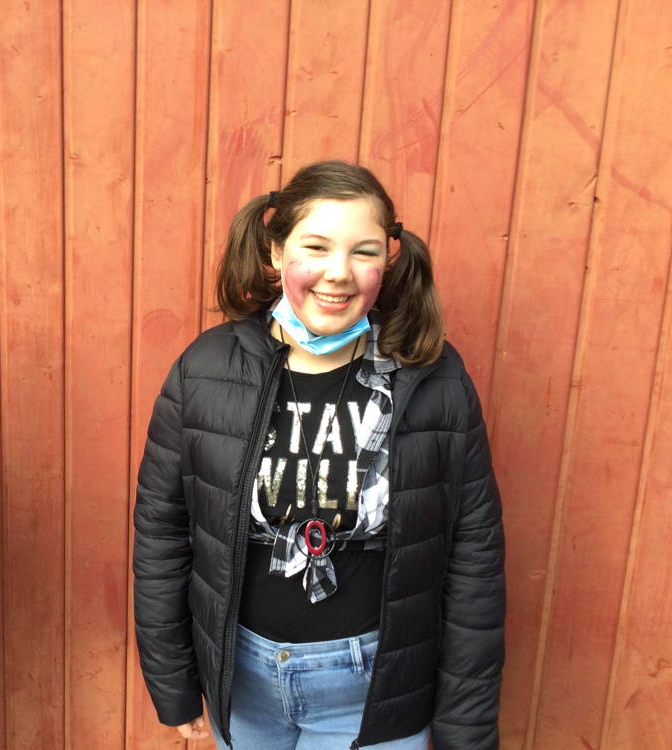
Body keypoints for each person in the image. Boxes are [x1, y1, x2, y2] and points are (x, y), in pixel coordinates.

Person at [133, 161, 505, 749]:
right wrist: (173, 681)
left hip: (375, 691)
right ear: (275, 250)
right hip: (242, 684)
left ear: (389, 258)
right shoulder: (205, 369)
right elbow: (162, 532)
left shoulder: (432, 377)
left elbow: (474, 554)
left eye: (363, 252)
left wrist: (466, 727)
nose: (339, 272)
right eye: (316, 246)